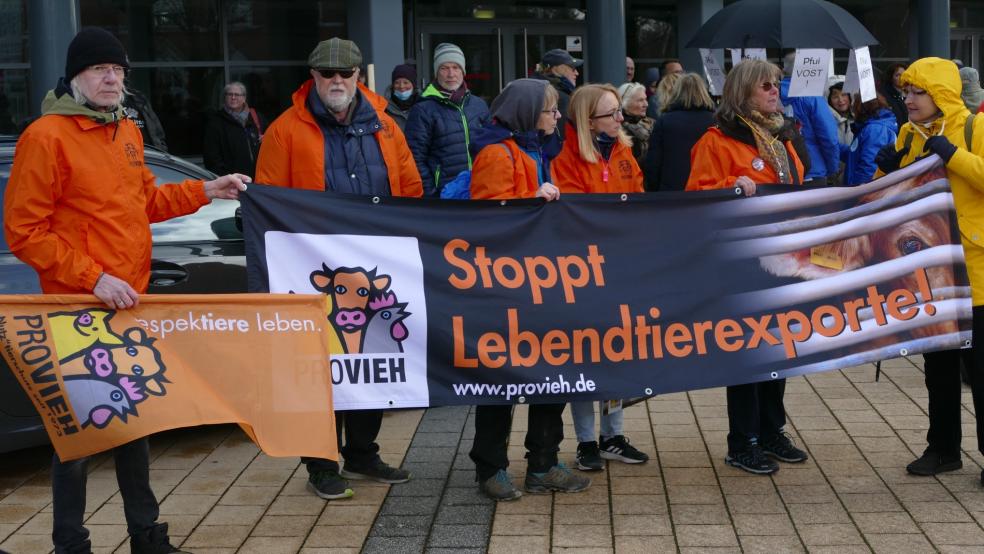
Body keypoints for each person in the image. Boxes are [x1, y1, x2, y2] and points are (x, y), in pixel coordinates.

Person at [3, 27, 248, 554]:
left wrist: (206, 189)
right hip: (75, 309)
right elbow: (24, 232)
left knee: (137, 422)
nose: (112, 78)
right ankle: (71, 543)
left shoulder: (126, 131)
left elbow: (147, 203)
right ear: (75, 78)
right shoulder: (46, 137)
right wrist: (94, 277)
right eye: (100, 69)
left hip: (128, 305)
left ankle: (146, 536)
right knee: (78, 438)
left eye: (118, 69)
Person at [255, 37, 421, 500]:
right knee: (318, 365)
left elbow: (408, 188)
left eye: (345, 74)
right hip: (312, 272)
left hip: (375, 266)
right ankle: (322, 462)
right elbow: (269, 197)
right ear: (313, 77)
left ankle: (363, 451)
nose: (336, 82)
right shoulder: (285, 130)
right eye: (327, 75)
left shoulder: (387, 127)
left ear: (357, 78)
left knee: (370, 359)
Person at [466, 79, 588, 500]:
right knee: (501, 378)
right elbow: (488, 218)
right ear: (526, 113)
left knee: (550, 374)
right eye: (550, 110)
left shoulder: (538, 150)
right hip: (507, 284)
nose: (557, 117)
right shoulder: (497, 153)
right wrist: (531, 198)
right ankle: (490, 467)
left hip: (542, 277)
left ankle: (544, 462)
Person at [686, 59, 809, 475]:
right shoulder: (717, 141)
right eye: (764, 86)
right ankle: (743, 440)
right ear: (742, 93)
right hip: (740, 262)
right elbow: (697, 198)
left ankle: (772, 430)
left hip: (784, 258)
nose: (775, 91)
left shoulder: (782, 136)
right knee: (747, 352)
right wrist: (730, 190)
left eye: (776, 84)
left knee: (781, 349)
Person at [871, 58, 984, 483]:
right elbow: (888, 199)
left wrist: (953, 155)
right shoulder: (908, 134)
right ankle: (942, 449)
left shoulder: (975, 129)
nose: (909, 99)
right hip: (929, 273)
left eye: (918, 92)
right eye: (906, 91)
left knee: (980, 372)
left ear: (941, 94)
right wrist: (887, 167)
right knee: (939, 370)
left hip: (976, 271)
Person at [550, 83, 648, 470]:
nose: (621, 119)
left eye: (619, 112)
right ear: (588, 121)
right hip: (582, 270)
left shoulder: (624, 151)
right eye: (612, 114)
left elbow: (637, 197)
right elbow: (573, 210)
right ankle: (586, 440)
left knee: (617, 352)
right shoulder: (565, 156)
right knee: (583, 355)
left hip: (620, 265)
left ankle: (614, 435)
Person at [405, 42, 490, 196]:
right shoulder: (423, 109)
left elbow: (491, 149)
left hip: (480, 190)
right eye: (444, 68)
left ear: (463, 71)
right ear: (436, 72)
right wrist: (432, 193)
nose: (451, 74)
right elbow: (414, 158)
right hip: (445, 197)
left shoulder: (479, 106)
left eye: (456, 67)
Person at [644, 73, 716, 191]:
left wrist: (655, 191)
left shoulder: (664, 121)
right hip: (707, 190)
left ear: (677, 92)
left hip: (671, 194)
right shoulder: (716, 121)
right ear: (703, 91)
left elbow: (653, 163)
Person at [780, 52, 839, 186]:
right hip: (814, 170)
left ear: (784, 71)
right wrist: (833, 168)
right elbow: (829, 137)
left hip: (784, 170)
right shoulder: (812, 97)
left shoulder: (771, 95)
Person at [203, 81, 266, 178]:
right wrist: (226, 178)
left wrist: (267, 139)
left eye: (237, 95)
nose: (233, 97)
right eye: (229, 94)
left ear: (244, 98)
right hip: (232, 183)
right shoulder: (216, 122)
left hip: (259, 179)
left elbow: (274, 140)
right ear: (225, 98)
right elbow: (211, 158)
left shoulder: (256, 117)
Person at [843, 94, 897, 186]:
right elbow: (857, 153)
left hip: (865, 190)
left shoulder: (875, 129)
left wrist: (858, 191)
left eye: (853, 106)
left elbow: (870, 165)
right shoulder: (873, 126)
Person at [531, 48, 582, 136]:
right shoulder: (559, 96)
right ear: (557, 69)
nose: (577, 73)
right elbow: (562, 134)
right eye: (573, 68)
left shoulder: (537, 89)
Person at [616, 82, 654, 170]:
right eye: (640, 100)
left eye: (646, 99)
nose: (646, 104)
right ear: (625, 102)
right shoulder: (619, 130)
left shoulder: (653, 124)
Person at [123, 86, 168, 151]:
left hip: (150, 156)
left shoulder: (138, 97)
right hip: (125, 155)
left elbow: (158, 132)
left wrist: (162, 150)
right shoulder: (108, 101)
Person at [385, 63, 419, 131]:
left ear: (413, 85)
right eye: (397, 83)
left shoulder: (423, 106)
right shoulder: (384, 108)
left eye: (406, 82)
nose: (401, 86)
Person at [881, 63, 908, 129]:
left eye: (904, 75)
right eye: (897, 75)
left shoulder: (911, 93)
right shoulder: (885, 96)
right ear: (891, 77)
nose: (901, 78)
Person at [827, 82, 854, 147]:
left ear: (850, 96)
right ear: (829, 101)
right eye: (835, 97)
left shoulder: (860, 118)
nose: (841, 100)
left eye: (844, 94)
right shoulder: (826, 122)